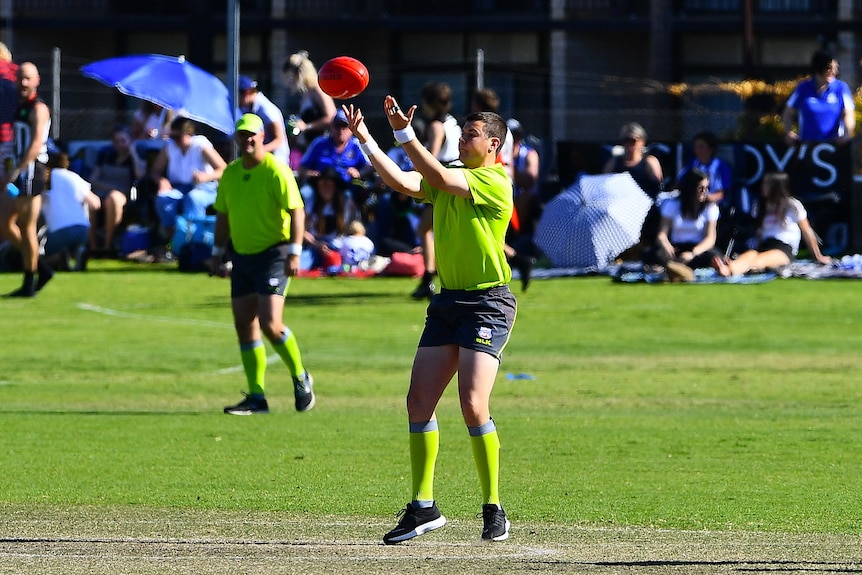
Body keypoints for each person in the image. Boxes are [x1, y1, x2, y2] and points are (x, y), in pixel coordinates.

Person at [343, 97, 517, 543]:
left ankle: (493, 506)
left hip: (487, 303)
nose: (463, 137)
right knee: (418, 402)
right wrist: (366, 138)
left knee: (472, 403)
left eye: (471, 133)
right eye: (462, 132)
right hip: (446, 303)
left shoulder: (495, 179)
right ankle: (423, 507)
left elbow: (436, 174)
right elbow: (402, 180)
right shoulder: (452, 175)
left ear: (493, 143)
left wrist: (405, 133)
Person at [211, 113, 314, 415]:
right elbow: (223, 215)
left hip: (274, 252)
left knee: (270, 323)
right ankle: (257, 396)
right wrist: (217, 252)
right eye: (243, 135)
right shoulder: (231, 173)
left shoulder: (275, 170)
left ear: (262, 136)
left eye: (252, 134)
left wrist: (295, 252)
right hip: (243, 255)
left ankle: (300, 376)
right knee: (244, 322)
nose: (248, 140)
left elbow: (296, 212)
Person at [1, 62, 54, 297]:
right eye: (20, 78)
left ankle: (28, 283)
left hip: (32, 170)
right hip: (18, 170)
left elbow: (35, 145)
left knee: (27, 226)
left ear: (36, 81)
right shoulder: (20, 107)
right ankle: (41, 267)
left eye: (28, 79)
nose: (23, 83)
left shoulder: (38, 109)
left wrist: (17, 170)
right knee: (5, 224)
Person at [713, 172, 832, 277]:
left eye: (766, 184)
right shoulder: (760, 206)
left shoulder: (792, 206)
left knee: (760, 260)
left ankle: (730, 270)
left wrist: (818, 256)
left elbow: (807, 231)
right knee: (750, 254)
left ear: (775, 187)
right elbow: (759, 231)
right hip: (765, 244)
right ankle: (730, 267)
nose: (763, 187)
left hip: (784, 248)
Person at [410, 82, 462, 300]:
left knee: (425, 228)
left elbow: (430, 156)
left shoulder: (435, 126)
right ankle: (429, 277)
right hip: (458, 176)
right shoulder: (453, 122)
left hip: (443, 180)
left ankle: (429, 277)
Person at [148, 116, 226, 239]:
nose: (175, 141)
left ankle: (194, 238)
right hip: (179, 187)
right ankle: (173, 238)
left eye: (178, 137)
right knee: (163, 199)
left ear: (190, 134)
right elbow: (155, 171)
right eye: (172, 137)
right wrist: (161, 181)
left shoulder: (201, 145)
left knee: (193, 198)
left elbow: (223, 169)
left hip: (205, 188)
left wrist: (206, 176)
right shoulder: (170, 146)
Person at [651, 168, 722, 282]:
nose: (705, 192)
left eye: (706, 188)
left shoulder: (710, 208)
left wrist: (693, 253)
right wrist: (665, 245)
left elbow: (710, 238)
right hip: (676, 248)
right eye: (701, 188)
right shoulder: (672, 204)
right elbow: (662, 233)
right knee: (652, 254)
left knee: (714, 256)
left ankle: (678, 269)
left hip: (697, 250)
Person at [297, 109, 374, 208]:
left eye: (345, 126)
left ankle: (351, 222)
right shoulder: (319, 143)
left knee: (351, 196)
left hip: (345, 186)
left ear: (351, 129)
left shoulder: (356, 145)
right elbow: (302, 168)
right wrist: (310, 174)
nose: (341, 130)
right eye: (337, 126)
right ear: (332, 127)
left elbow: (370, 166)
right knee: (304, 194)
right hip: (320, 185)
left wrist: (359, 173)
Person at [782, 49, 855, 146]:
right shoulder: (803, 88)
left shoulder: (841, 88)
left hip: (833, 146)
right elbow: (788, 113)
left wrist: (846, 134)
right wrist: (788, 132)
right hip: (806, 146)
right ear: (820, 67)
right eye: (829, 68)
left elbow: (848, 114)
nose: (834, 72)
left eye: (836, 68)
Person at [42, 151, 101, 271]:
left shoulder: (42, 179)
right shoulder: (73, 177)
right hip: (82, 229)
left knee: (44, 258)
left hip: (58, 231)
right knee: (73, 244)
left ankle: (60, 257)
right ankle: (78, 252)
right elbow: (95, 204)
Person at [87, 125, 140, 253]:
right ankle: (92, 246)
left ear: (130, 140)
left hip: (121, 195)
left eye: (123, 141)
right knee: (88, 201)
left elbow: (141, 175)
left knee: (113, 198)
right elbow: (93, 180)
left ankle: (107, 245)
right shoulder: (105, 155)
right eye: (116, 141)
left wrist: (133, 153)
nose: (119, 144)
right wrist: (111, 187)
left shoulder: (134, 157)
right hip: (101, 192)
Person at [302, 166, 361, 271]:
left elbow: (355, 228)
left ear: (335, 187)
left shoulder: (347, 203)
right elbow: (302, 230)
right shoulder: (310, 202)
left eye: (329, 185)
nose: (325, 189)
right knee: (301, 265)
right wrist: (317, 245)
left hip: (340, 246)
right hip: (315, 246)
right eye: (322, 185)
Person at [281, 51, 337, 162]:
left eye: (290, 76)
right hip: (309, 147)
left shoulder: (317, 91)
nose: (289, 81)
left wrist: (307, 126)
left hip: (323, 148)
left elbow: (331, 116)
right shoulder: (306, 94)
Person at [237, 75, 290, 166]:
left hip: (276, 162)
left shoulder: (265, 109)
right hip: (260, 161)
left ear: (246, 93)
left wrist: (256, 151)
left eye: (236, 95)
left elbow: (279, 139)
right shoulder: (248, 108)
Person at [673, 131, 732, 206]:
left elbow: (721, 194)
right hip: (690, 205)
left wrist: (704, 198)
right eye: (695, 146)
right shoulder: (691, 163)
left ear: (711, 148)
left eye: (701, 146)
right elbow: (678, 183)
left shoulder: (721, 166)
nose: (697, 149)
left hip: (713, 206)